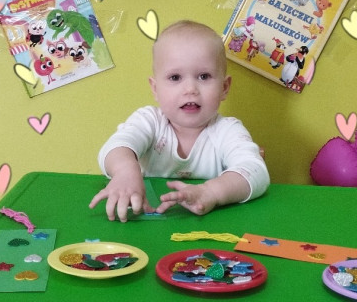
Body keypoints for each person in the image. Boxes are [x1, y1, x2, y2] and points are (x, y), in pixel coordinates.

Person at [89, 20, 270, 222]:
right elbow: (116, 146)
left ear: (224, 88)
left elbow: (256, 172)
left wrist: (210, 192)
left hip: (210, 226)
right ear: (155, 89)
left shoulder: (228, 130)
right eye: (175, 77)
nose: (190, 89)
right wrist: (125, 172)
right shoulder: (149, 120)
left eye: (204, 76)